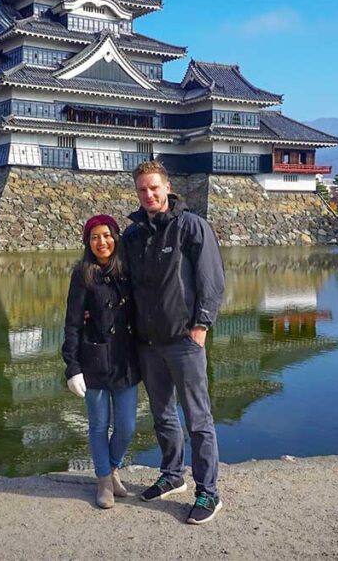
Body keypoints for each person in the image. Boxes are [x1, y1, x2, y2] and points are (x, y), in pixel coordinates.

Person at [122, 160, 226, 525]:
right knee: (162, 414)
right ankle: (171, 474)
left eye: (154, 188)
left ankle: (208, 492)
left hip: (184, 339)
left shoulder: (190, 226)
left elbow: (211, 280)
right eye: (141, 190)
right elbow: (123, 285)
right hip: (149, 342)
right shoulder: (133, 235)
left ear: (167, 187)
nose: (148, 195)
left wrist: (201, 325)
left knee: (198, 418)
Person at [61, 214, 141, 509]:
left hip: (126, 359)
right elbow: (71, 323)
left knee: (127, 425)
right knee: (98, 425)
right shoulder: (82, 274)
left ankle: (113, 465)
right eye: (95, 237)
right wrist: (72, 366)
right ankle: (104, 480)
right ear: (87, 242)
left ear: (116, 238)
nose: (101, 242)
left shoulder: (129, 271)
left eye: (107, 235)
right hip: (93, 357)